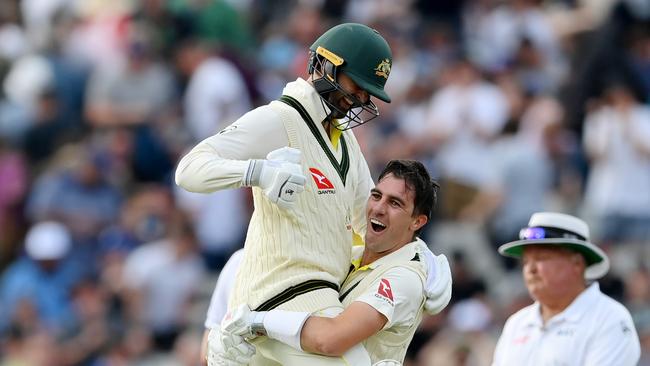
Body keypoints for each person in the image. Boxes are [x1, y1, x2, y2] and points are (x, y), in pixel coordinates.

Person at [176, 22, 395, 365]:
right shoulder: (278, 120)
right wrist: (257, 172)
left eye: (369, 92)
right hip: (275, 298)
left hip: (317, 302)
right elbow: (189, 170)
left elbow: (367, 222)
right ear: (327, 66)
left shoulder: (346, 141)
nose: (362, 100)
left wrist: (414, 257)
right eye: (359, 86)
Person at [210, 160, 452, 366]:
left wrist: (258, 322)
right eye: (376, 195)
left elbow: (330, 339)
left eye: (395, 203)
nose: (378, 208)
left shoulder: (405, 278)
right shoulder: (350, 250)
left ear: (417, 222)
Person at [492, 212, 641, 365]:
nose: (530, 269)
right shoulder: (517, 323)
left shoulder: (609, 319)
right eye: (526, 261)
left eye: (541, 258)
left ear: (577, 264)